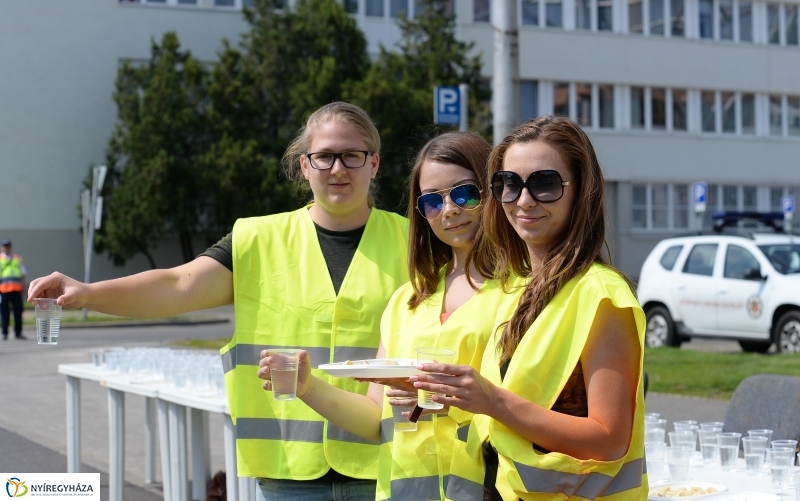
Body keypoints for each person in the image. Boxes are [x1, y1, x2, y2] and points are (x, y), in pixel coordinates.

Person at [27, 102, 410, 501]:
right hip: (289, 473)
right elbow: (177, 284)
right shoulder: (257, 240)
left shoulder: (413, 243)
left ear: (374, 163)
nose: (338, 168)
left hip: (390, 464)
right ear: (304, 166)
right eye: (324, 156)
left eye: (352, 155)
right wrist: (88, 293)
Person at [257, 132, 525, 501]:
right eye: (432, 201)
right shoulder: (407, 301)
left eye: (464, 193)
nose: (449, 210)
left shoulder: (524, 292)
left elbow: (534, 405)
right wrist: (307, 386)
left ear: (493, 191)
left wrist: (450, 403)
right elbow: (374, 417)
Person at [411, 116, 648, 500]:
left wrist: (493, 400)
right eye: (509, 184)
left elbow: (609, 440)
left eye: (544, 183)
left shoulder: (601, 294)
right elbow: (519, 414)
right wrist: (451, 399)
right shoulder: (517, 289)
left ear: (580, 190)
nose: (524, 200)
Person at [0, 239, 27, 340]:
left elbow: (23, 273)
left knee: (18, 312)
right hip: (3, 291)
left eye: (8, 246)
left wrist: (24, 286)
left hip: (16, 290)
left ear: (10, 247)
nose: (6, 248)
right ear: (2, 248)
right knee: (4, 313)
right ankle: (5, 333)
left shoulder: (17, 258)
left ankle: (18, 332)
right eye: (5, 246)